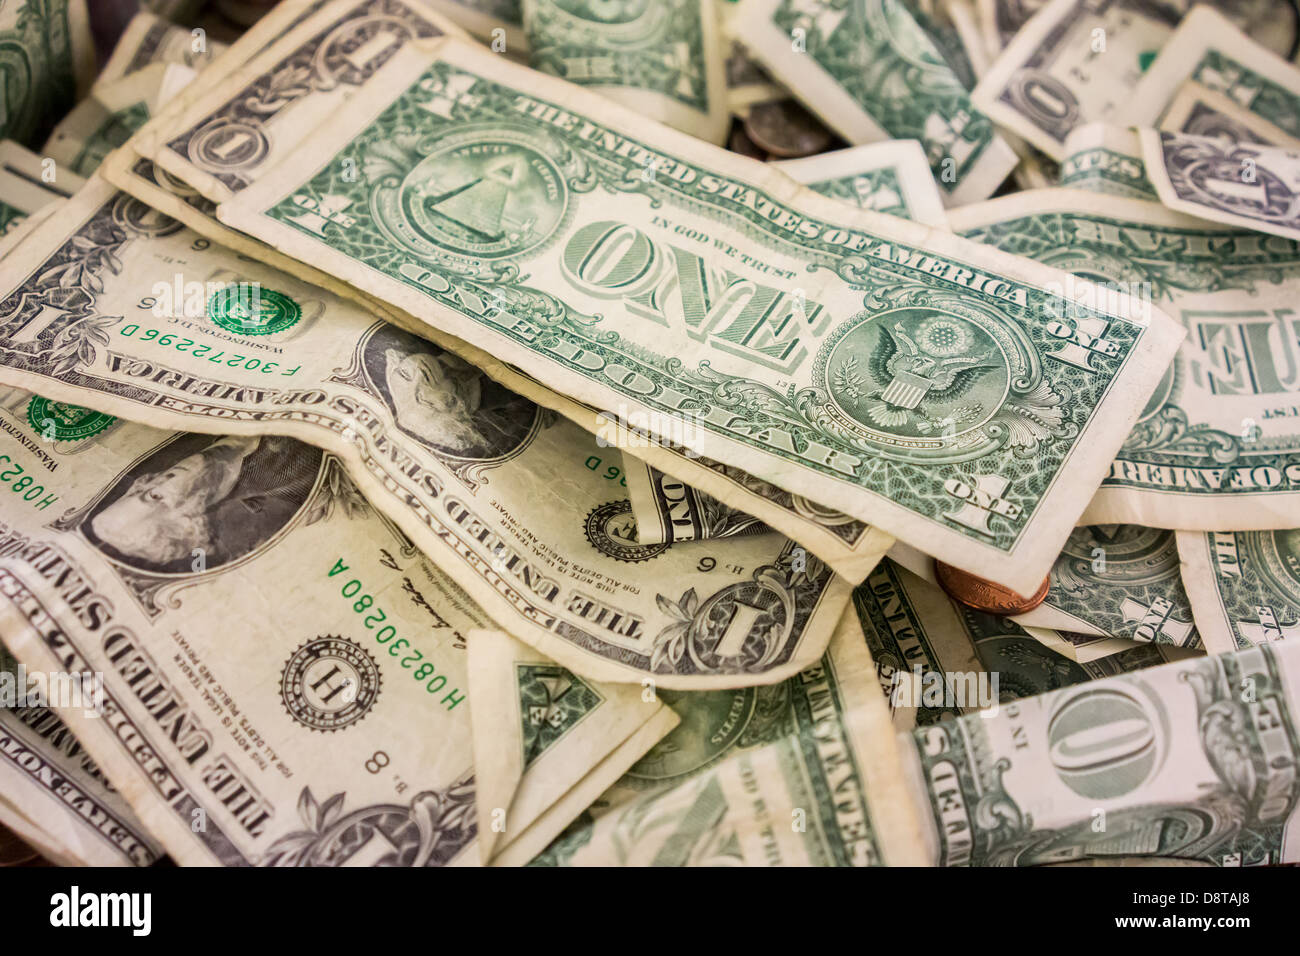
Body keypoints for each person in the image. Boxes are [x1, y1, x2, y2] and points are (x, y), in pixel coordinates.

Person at [90, 435, 317, 572]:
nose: (157, 478)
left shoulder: (186, 440)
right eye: (154, 497)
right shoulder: (287, 478)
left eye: (137, 490)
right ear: (185, 520)